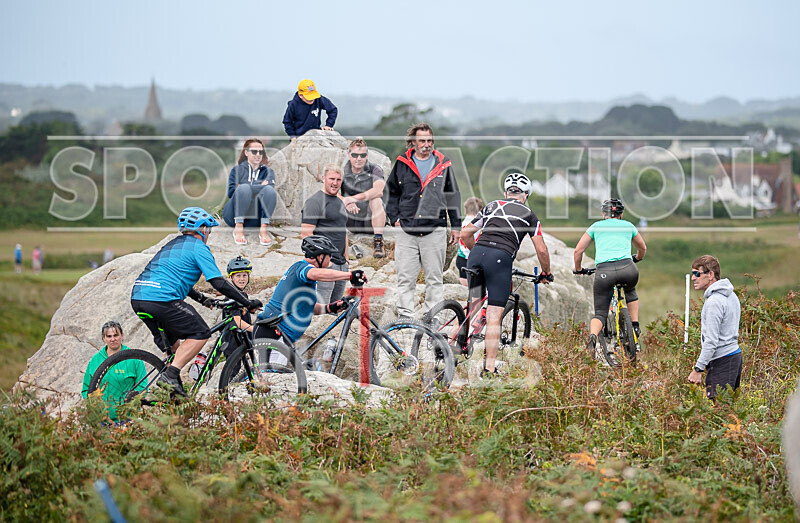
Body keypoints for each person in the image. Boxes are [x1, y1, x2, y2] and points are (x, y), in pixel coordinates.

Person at [130, 207, 262, 397]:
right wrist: (246, 302)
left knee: (174, 349)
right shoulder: (199, 247)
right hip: (162, 299)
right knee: (201, 333)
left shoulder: (172, 245)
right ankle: (171, 375)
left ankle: (171, 396)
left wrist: (202, 299)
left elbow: (176, 279)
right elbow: (218, 282)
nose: (209, 233)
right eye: (208, 229)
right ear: (202, 229)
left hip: (139, 299)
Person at [460, 174, 552, 376]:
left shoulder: (491, 206)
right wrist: (546, 272)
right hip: (500, 259)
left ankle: (453, 341)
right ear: (526, 195)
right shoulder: (529, 215)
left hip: (476, 256)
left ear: (506, 193)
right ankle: (489, 368)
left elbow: (465, 234)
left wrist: (477, 254)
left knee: (473, 303)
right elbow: (542, 250)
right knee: (494, 316)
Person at [385, 123, 461, 319]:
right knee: (405, 278)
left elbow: (453, 196)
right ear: (413, 142)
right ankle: (405, 316)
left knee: (434, 279)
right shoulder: (402, 163)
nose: (426, 144)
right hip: (406, 230)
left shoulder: (443, 164)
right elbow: (390, 193)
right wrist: (394, 219)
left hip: (435, 229)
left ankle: (432, 317)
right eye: (422, 141)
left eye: (429, 140)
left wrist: (456, 227)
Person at [254, 235, 367, 346]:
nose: (331, 259)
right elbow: (315, 273)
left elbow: (307, 307)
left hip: (280, 335)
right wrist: (350, 275)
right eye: (329, 255)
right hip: (273, 332)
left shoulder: (305, 277)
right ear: (320, 256)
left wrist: (329, 308)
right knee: (274, 365)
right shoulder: (302, 267)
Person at [573, 198, 647, 356]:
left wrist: (579, 269)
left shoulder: (596, 226)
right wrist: (638, 258)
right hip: (628, 268)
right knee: (630, 291)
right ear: (621, 214)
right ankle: (634, 325)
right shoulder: (628, 225)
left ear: (603, 213)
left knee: (600, 312)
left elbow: (578, 251)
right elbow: (642, 247)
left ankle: (592, 339)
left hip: (604, 272)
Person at [687, 255, 742, 399]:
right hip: (734, 356)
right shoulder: (731, 295)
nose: (693, 278)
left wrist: (698, 369)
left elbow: (711, 341)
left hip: (723, 360)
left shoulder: (714, 302)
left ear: (710, 274)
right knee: (728, 412)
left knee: (721, 410)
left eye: (697, 273)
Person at [301, 165, 349, 305]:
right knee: (322, 309)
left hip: (341, 264)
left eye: (339, 180)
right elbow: (306, 234)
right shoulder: (314, 202)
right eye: (332, 179)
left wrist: (346, 259)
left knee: (336, 308)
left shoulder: (340, 201)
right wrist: (321, 261)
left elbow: (343, 230)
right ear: (323, 179)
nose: (335, 183)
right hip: (325, 264)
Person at [81, 321, 146, 420]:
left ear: (122, 336)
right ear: (103, 338)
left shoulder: (134, 359)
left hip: (128, 418)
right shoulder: (95, 360)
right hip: (102, 419)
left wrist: (132, 403)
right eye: (109, 336)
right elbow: (86, 389)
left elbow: (143, 387)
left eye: (116, 335)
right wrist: (94, 408)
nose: (113, 339)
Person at [222, 138, 277, 246]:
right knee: (244, 189)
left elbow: (269, 189)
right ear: (246, 152)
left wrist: (246, 186)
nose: (258, 154)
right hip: (233, 216)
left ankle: (263, 230)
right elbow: (231, 193)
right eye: (254, 151)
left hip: (255, 219)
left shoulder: (268, 172)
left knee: (269, 191)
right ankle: (238, 228)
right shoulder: (237, 170)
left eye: (261, 152)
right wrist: (258, 186)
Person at [341, 138, 387, 258]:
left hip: (371, 220)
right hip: (350, 220)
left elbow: (378, 190)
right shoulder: (341, 171)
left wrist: (353, 199)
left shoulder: (375, 169)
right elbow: (331, 191)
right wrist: (346, 202)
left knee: (376, 199)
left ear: (367, 155)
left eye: (362, 155)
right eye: (355, 155)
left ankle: (378, 242)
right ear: (349, 155)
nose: (359, 158)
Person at [455, 197, 484, 286]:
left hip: (461, 257)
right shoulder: (480, 225)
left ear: (465, 209)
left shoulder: (460, 224)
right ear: (480, 210)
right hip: (475, 258)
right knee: (477, 288)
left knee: (464, 288)